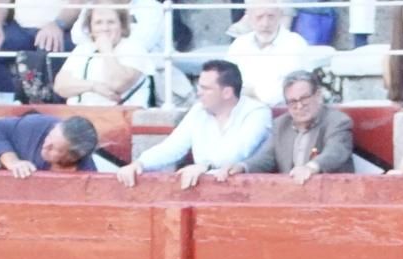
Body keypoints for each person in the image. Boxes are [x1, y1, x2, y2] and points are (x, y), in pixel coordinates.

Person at [116, 59, 271, 189]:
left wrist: (205, 166)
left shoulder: (257, 112)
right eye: (199, 86)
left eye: (206, 88)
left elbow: (240, 150)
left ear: (227, 93)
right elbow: (173, 146)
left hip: (248, 190)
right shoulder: (199, 111)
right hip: (203, 188)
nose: (198, 92)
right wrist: (140, 163)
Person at [220, 71, 353, 184]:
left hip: (331, 196)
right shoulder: (280, 124)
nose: (299, 106)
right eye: (292, 102)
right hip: (291, 196)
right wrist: (242, 166)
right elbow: (265, 158)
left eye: (304, 99)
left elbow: (335, 152)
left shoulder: (337, 121)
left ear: (318, 95)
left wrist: (311, 168)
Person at [53, 4, 154, 106]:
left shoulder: (134, 49)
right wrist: (94, 86)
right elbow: (60, 86)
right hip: (77, 115)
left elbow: (117, 84)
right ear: (90, 28)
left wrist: (106, 50)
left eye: (111, 22)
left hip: (118, 117)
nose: (105, 28)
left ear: (122, 26)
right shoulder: (83, 49)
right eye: (98, 23)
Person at [228, 0, 310, 108]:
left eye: (271, 16)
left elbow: (299, 88)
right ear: (249, 16)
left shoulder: (295, 44)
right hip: (243, 111)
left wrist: (257, 99)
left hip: (284, 112)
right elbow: (227, 82)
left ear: (280, 15)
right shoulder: (239, 45)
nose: (265, 23)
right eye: (259, 17)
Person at [0, 113, 99, 178]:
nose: (46, 145)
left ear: (72, 157)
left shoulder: (86, 172)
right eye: (49, 136)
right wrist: (13, 162)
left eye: (53, 148)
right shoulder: (38, 126)